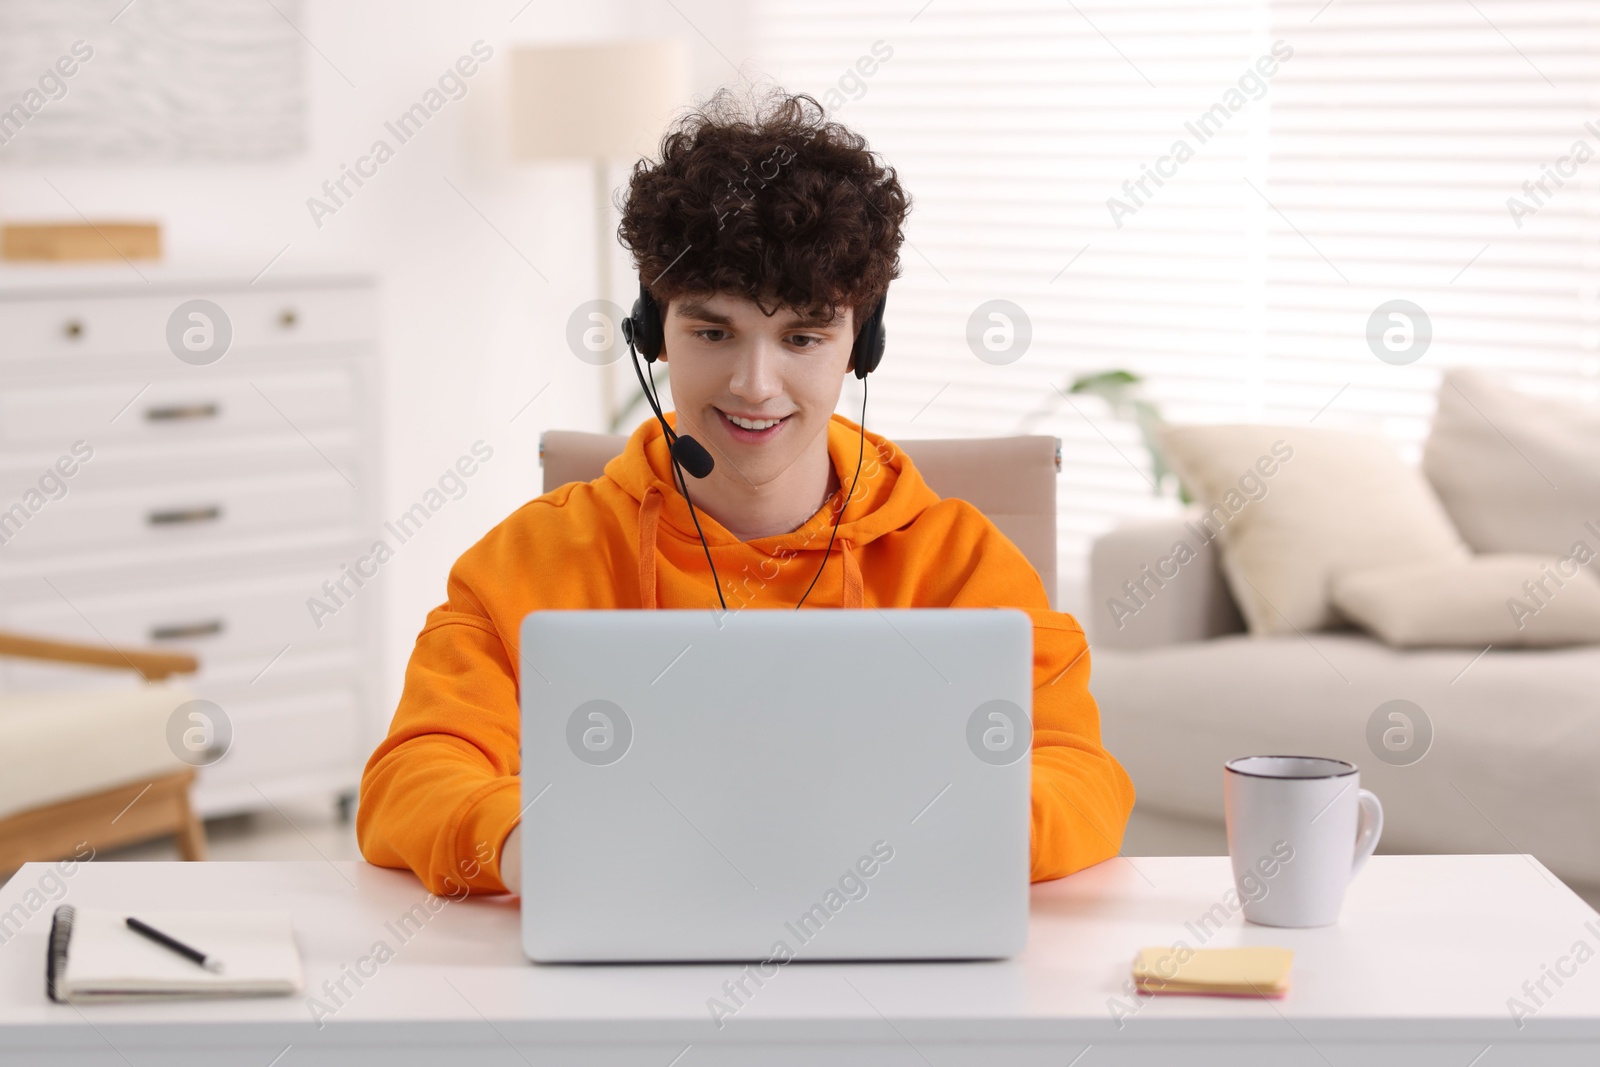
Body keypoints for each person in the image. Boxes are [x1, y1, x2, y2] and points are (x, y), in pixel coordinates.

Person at [357, 87, 1135, 897]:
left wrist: (935, 838)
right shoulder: (531, 560)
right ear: (652, 332)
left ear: (859, 345)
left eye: (803, 336)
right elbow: (412, 774)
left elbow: (1079, 772)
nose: (755, 384)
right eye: (712, 331)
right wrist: (536, 844)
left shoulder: (961, 564)